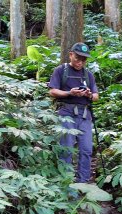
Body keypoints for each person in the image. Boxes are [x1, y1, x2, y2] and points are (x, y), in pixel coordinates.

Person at [48, 42, 99, 183]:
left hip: (84, 116)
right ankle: (66, 184)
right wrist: (69, 93)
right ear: (71, 55)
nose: (80, 62)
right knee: (66, 149)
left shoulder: (88, 75)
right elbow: (52, 91)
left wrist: (88, 95)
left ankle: (82, 184)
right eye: (78, 58)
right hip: (66, 113)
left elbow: (96, 96)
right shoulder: (61, 70)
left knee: (87, 150)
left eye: (84, 60)